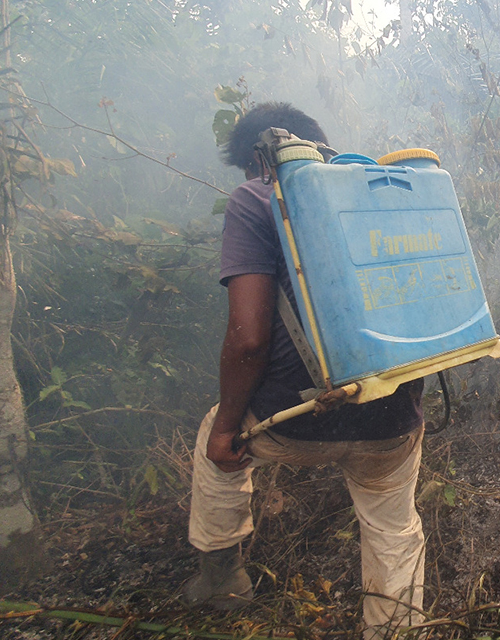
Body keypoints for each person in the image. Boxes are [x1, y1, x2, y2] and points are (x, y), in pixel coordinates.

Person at [183, 102, 428, 635]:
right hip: (393, 421)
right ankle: (396, 630)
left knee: (213, 435)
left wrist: (228, 427)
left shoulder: (257, 197)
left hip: (295, 418)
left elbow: (248, 341)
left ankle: (223, 579)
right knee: (393, 526)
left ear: (260, 157)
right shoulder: (383, 193)